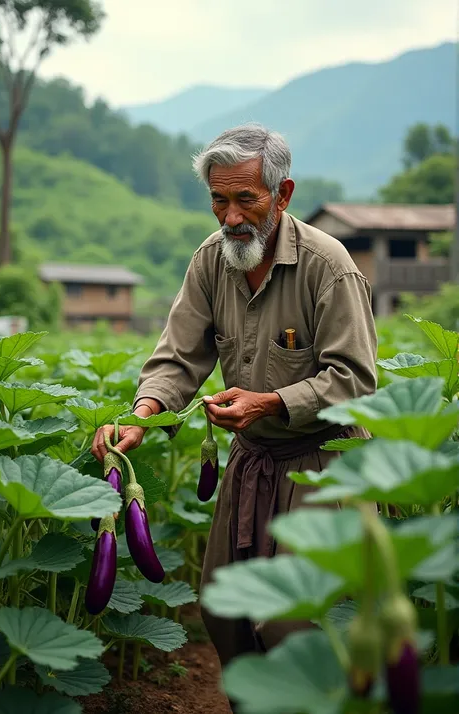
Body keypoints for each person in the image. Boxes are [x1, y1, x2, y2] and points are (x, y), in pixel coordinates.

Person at [92, 123, 377, 706]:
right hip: (253, 463)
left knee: (292, 626)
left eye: (246, 198)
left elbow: (355, 380)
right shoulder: (211, 261)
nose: (231, 217)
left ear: (283, 193)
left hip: (326, 464)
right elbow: (178, 356)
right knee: (224, 613)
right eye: (219, 199)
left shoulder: (330, 265)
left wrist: (270, 401)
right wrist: (141, 415)